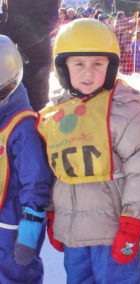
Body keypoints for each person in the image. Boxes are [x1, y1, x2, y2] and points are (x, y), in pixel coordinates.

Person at [37, 19, 140, 283]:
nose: (88, 73)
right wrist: (52, 212)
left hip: (113, 233)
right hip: (74, 235)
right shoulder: (56, 115)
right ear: (63, 67)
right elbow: (52, 170)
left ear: (111, 66)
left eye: (98, 63)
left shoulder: (127, 112)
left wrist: (133, 222)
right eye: (78, 64)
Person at [0, 35, 53, 284]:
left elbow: (36, 182)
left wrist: (29, 232)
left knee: (17, 277)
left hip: (13, 231)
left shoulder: (23, 127)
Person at [0, 0, 58, 111]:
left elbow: (48, 17)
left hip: (32, 57)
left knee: (33, 106)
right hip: (6, 53)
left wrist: (14, 39)